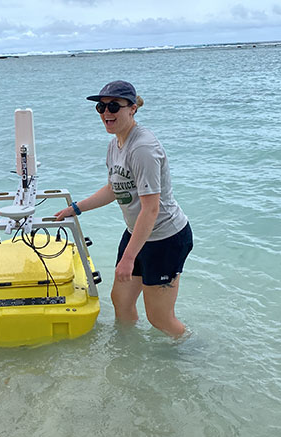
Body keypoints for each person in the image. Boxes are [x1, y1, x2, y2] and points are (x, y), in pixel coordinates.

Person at [54, 81, 193, 338]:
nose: (107, 113)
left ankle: (191, 351)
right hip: (137, 233)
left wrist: (129, 259)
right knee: (121, 301)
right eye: (101, 106)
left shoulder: (142, 148)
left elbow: (151, 209)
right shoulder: (115, 144)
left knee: (159, 318)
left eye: (114, 106)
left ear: (132, 109)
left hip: (165, 238)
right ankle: (129, 352)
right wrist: (76, 208)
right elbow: (113, 188)